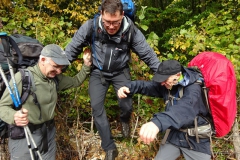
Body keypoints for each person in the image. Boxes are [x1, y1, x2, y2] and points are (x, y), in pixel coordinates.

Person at [65, 0, 160, 159]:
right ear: (101, 14)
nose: (111, 26)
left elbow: (148, 55)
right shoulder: (90, 26)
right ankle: (109, 148)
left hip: (120, 71)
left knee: (126, 104)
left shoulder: (131, 31)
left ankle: (124, 120)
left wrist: (163, 74)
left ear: (122, 15)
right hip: (98, 71)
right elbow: (71, 49)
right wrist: (56, 69)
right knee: (96, 107)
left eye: (115, 22)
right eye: (107, 22)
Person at [0, 44, 92, 160]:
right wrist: (14, 116)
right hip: (24, 136)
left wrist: (86, 65)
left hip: (48, 135)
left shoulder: (55, 79)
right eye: (55, 66)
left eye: (61, 68)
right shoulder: (23, 78)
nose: (58, 71)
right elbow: (2, 106)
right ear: (43, 60)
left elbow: (76, 81)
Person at [118, 60, 212, 160]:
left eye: (165, 79)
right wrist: (129, 87)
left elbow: (184, 109)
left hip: (196, 140)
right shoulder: (169, 84)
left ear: (178, 75)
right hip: (174, 136)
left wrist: (157, 123)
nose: (162, 83)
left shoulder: (194, 89)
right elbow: (148, 86)